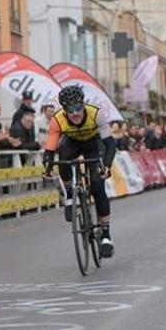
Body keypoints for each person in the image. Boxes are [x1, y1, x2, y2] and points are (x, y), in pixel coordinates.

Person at [42, 84, 117, 258]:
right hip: (72, 142)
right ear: (64, 109)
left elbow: (110, 143)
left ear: (83, 104)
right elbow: (50, 149)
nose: (75, 113)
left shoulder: (96, 114)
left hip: (94, 143)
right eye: (70, 109)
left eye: (78, 108)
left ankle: (106, 235)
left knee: (98, 184)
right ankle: (69, 195)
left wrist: (107, 165)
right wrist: (47, 167)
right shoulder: (57, 120)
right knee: (62, 159)